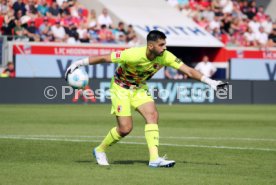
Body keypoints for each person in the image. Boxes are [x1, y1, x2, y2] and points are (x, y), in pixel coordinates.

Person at [65, 30, 226, 168]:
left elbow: (189, 71)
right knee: (125, 129)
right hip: (120, 88)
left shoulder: (165, 56)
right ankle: (100, 150)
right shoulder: (133, 54)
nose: (165, 48)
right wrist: (80, 63)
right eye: (161, 45)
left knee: (152, 115)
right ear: (151, 46)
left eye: (165, 44)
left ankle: (154, 159)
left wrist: (210, 82)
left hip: (139, 87)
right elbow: (105, 58)